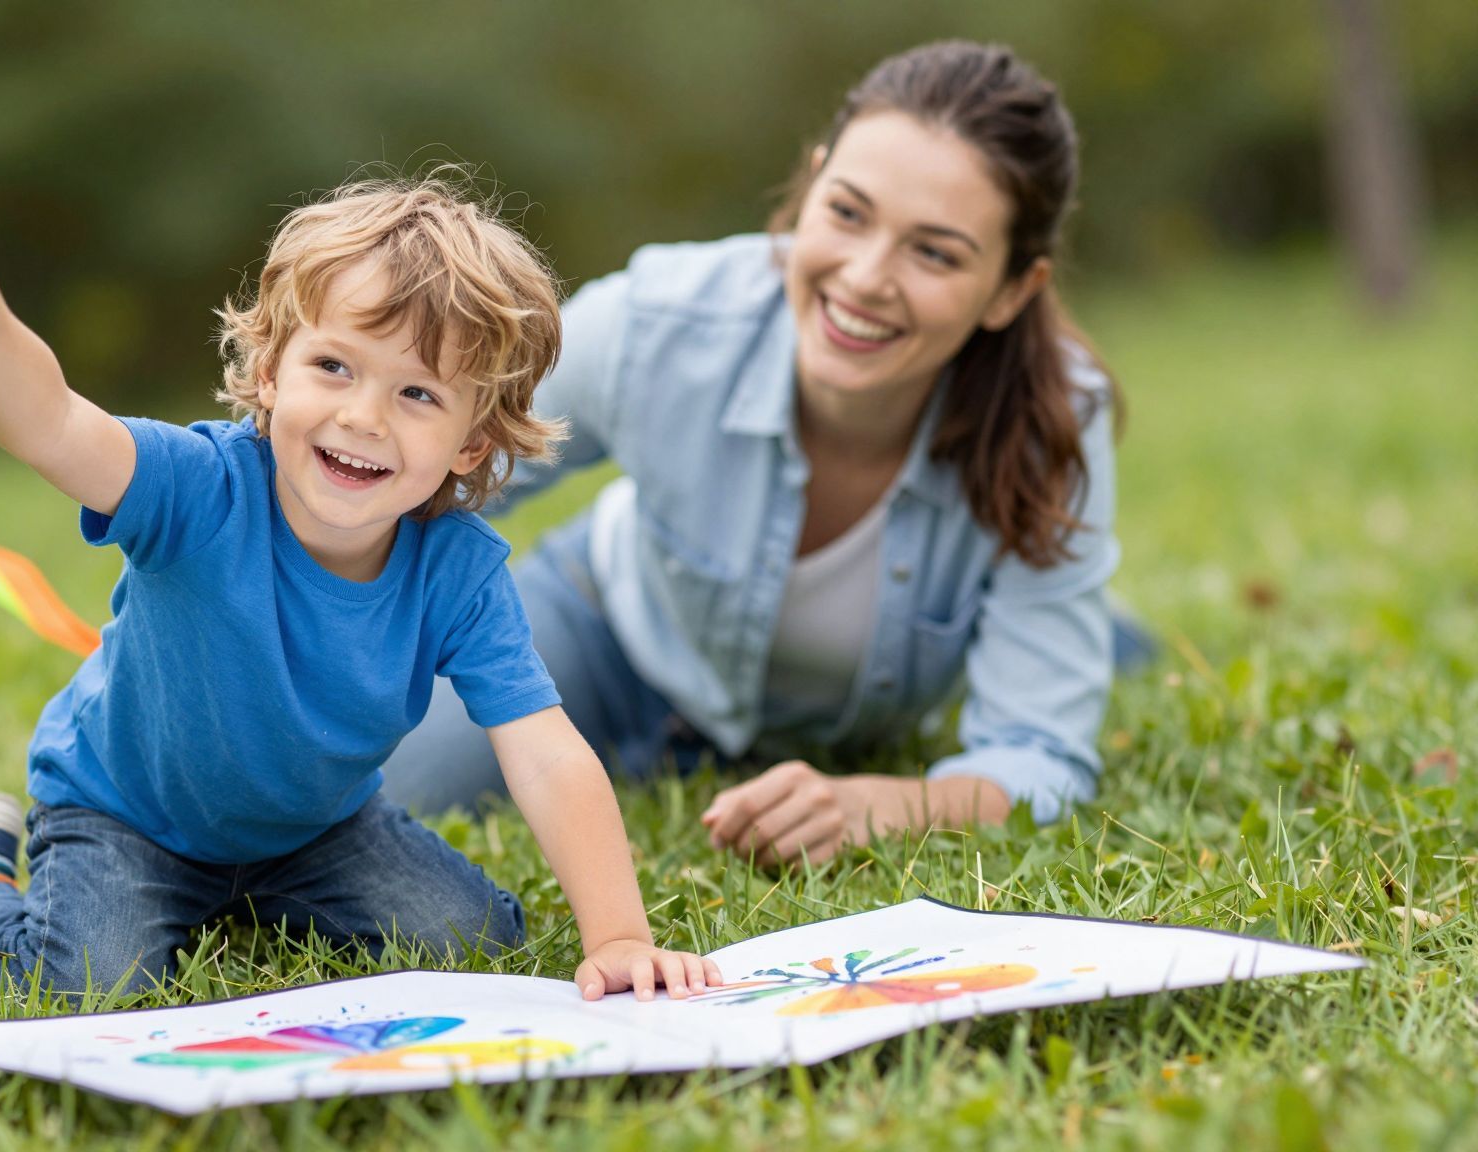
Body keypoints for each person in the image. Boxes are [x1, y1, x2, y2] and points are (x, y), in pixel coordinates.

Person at [0, 175, 721, 1002]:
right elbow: (51, 421)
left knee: (471, 938)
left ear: (472, 445)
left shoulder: (457, 571)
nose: (363, 416)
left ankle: (247, 897)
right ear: (270, 372)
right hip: (124, 816)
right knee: (87, 985)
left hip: (316, 831)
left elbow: (545, 750)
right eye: (334, 367)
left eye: (417, 392)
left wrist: (616, 936)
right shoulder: (197, 487)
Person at [382, 42, 1130, 866]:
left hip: (837, 726)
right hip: (604, 631)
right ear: (811, 189)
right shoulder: (659, 324)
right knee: (386, 788)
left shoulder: (1057, 417)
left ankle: (1101, 627)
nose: (866, 277)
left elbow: (1039, 754)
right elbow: (406, 474)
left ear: (1012, 291)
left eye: (935, 253)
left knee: (1074, 640)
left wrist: (876, 803)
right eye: (847, 212)